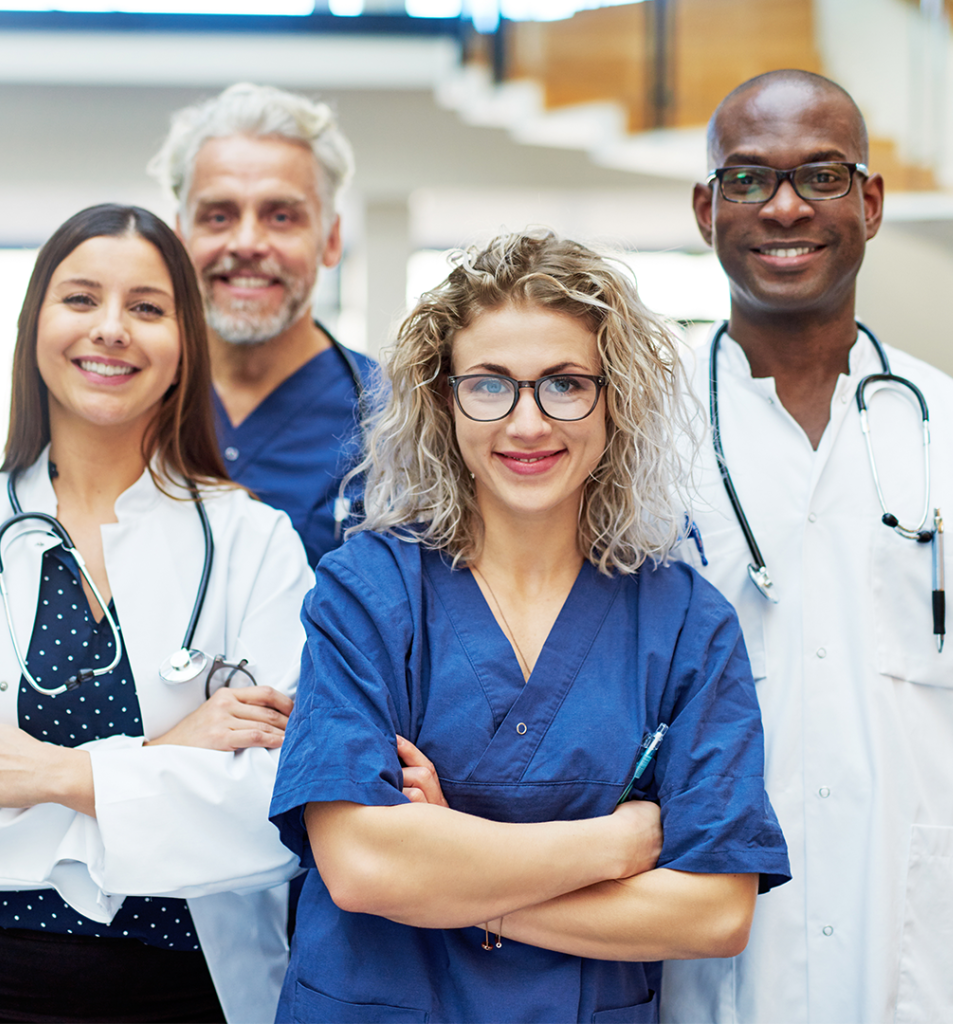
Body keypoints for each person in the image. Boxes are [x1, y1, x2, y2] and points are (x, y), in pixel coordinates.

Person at [268, 230, 790, 1024]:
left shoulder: (685, 621)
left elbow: (714, 914)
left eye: (565, 383)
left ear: (614, 399)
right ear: (445, 400)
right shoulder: (368, 591)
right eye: (490, 385)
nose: (527, 422)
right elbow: (363, 868)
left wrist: (455, 879)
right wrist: (613, 849)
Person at [659, 70, 953, 1024]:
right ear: (706, 207)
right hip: (702, 940)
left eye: (823, 175)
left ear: (871, 202)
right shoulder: (637, 438)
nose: (785, 206)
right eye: (748, 179)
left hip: (913, 938)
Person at [0, 204, 313, 1023]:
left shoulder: (254, 543)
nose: (111, 330)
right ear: (34, 325)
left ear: (185, 341)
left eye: (148, 309)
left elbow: (275, 815)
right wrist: (167, 754)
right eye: (81, 300)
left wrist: (57, 775)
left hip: (197, 985)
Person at [148, 82, 378, 568]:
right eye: (218, 216)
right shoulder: (131, 400)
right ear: (178, 238)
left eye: (280, 216)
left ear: (331, 239)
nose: (248, 242)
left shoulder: (398, 418)